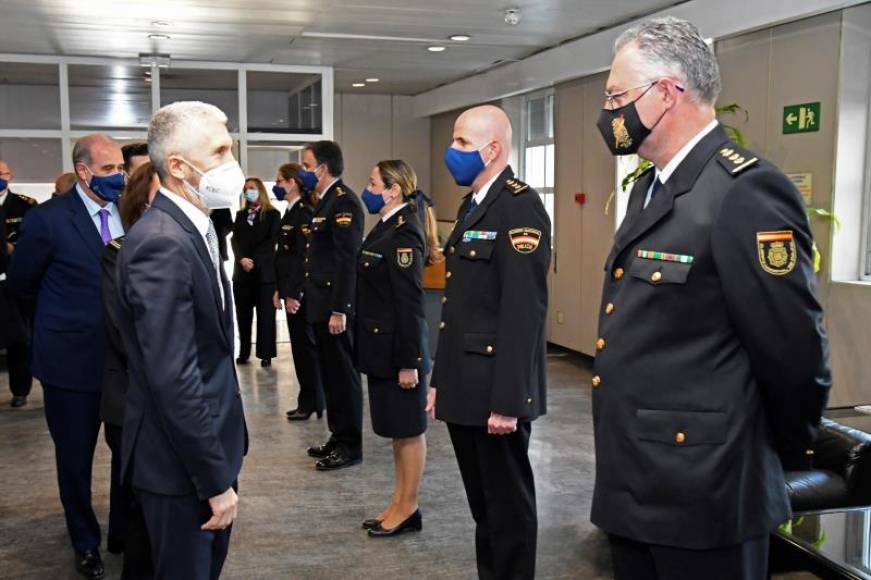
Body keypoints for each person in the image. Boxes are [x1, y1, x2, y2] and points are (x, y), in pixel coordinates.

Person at [591, 18, 831, 580]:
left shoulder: (744, 192)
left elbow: (794, 352)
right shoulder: (653, 186)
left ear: (668, 93)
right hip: (638, 481)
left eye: (617, 96)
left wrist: (768, 454)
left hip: (707, 491)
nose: (609, 112)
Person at [115, 101, 247, 580]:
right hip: (181, 469)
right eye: (220, 151)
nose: (232, 164)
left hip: (202, 451)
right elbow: (174, 376)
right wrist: (213, 479)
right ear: (177, 166)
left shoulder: (198, 227)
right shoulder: (162, 242)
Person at [428, 105, 551, 579]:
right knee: (485, 510)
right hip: (466, 384)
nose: (451, 152)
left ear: (493, 149)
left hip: (497, 390)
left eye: (461, 143)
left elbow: (524, 312)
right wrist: (443, 382)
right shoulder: (474, 203)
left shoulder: (519, 207)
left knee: (508, 511)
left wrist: (510, 401)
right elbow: (456, 310)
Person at [9, 134, 127, 579]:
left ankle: (122, 533)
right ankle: (85, 542)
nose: (119, 176)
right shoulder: (47, 219)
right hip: (69, 364)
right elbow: (22, 283)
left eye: (120, 168)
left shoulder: (130, 213)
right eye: (109, 169)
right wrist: (60, 322)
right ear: (83, 172)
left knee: (127, 453)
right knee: (75, 459)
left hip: (122, 363)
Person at [356, 160, 430, 537]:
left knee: (410, 431)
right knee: (398, 433)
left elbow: (410, 303)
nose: (367, 188)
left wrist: (409, 362)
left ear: (393, 190)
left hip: (399, 353)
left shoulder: (405, 233)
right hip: (382, 349)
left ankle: (409, 506)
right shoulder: (386, 226)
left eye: (373, 183)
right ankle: (399, 503)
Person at [101, 162, 159, 579]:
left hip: (166, 396)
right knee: (138, 502)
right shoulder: (117, 254)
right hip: (132, 396)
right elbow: (125, 331)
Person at [302, 140, 365, 471]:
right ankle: (338, 435)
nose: (303, 170)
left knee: (343, 377)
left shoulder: (344, 203)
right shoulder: (324, 202)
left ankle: (350, 445)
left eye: (307, 164)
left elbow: (346, 261)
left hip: (334, 308)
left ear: (322, 169)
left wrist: (340, 309)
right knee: (330, 376)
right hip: (320, 305)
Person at [272, 162, 325, 421]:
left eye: (280, 181)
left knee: (306, 352)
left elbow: (305, 258)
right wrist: (279, 290)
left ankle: (312, 401)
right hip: (290, 290)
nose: (277, 186)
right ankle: (311, 400)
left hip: (300, 295)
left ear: (292, 183)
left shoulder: (303, 213)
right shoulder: (290, 212)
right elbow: (284, 258)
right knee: (301, 351)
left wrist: (294, 293)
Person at [231, 178, 280, 367]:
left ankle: (266, 354)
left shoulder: (273, 214)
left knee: (266, 316)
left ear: (260, 190)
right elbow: (235, 240)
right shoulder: (241, 215)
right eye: (245, 189)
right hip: (242, 274)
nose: (248, 192)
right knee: (243, 316)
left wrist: (255, 261)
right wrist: (242, 259)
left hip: (264, 274)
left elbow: (271, 241)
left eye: (251, 188)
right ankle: (244, 352)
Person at [0, 159, 36, 407]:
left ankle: (20, 389)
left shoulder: (24, 206)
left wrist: (15, 249)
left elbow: (34, 238)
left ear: (9, 176)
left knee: (18, 339)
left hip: (12, 280)